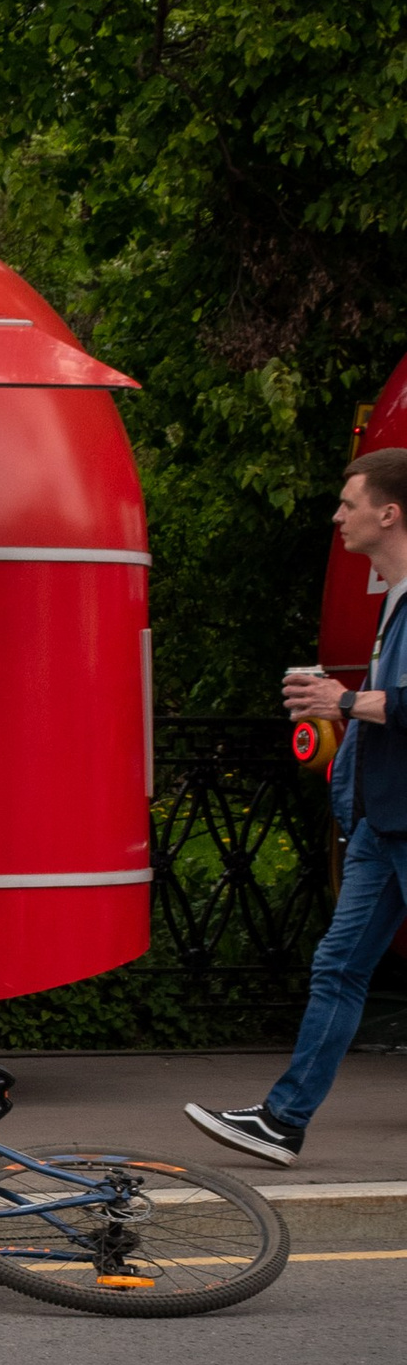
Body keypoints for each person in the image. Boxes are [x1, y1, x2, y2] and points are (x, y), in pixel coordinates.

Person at [188, 449, 407, 1165]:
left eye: (349, 503)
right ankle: (282, 1122)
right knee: (337, 968)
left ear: (389, 511)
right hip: (384, 821)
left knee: (339, 969)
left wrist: (340, 699)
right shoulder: (395, 596)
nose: (338, 516)